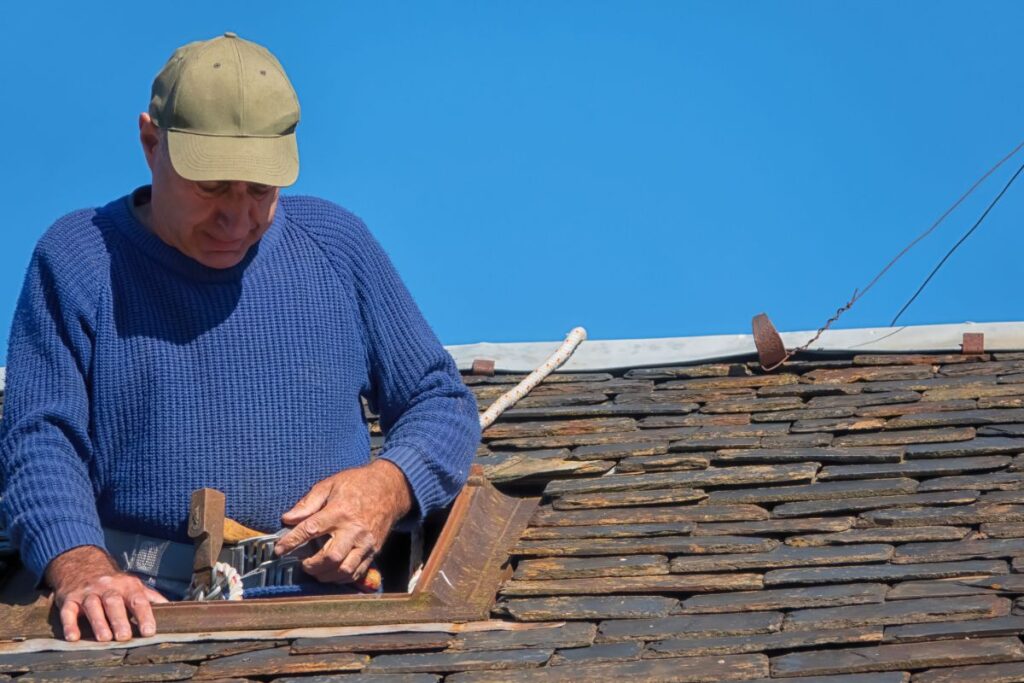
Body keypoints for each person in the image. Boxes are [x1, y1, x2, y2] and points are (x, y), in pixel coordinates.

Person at [0, 33, 479, 643]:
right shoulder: (78, 259)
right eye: (212, 187)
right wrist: (81, 567)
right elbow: (40, 440)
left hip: (335, 612)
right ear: (151, 143)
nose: (237, 218)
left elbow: (439, 401)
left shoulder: (336, 245)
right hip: (144, 612)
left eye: (260, 191)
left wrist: (390, 483)